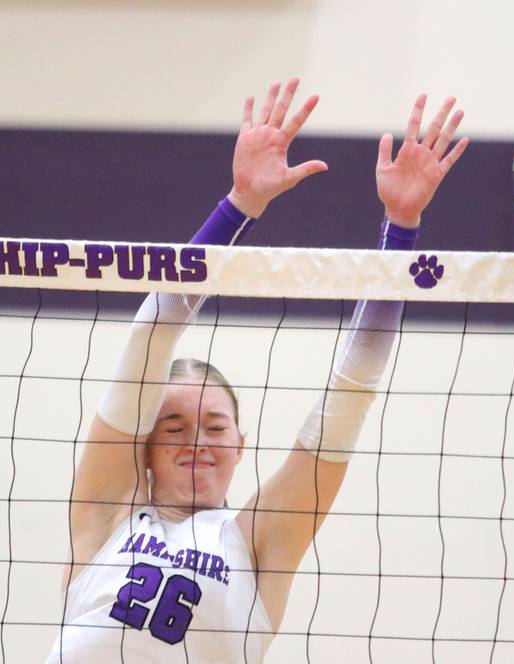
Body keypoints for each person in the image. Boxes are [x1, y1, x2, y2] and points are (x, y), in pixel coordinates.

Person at [45, 79, 468, 663]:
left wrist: (402, 228)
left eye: (215, 426)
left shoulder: (257, 544)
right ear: (140, 446)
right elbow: (154, 331)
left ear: (240, 445)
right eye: (172, 427)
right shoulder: (102, 514)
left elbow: (349, 397)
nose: (197, 441)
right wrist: (239, 205)